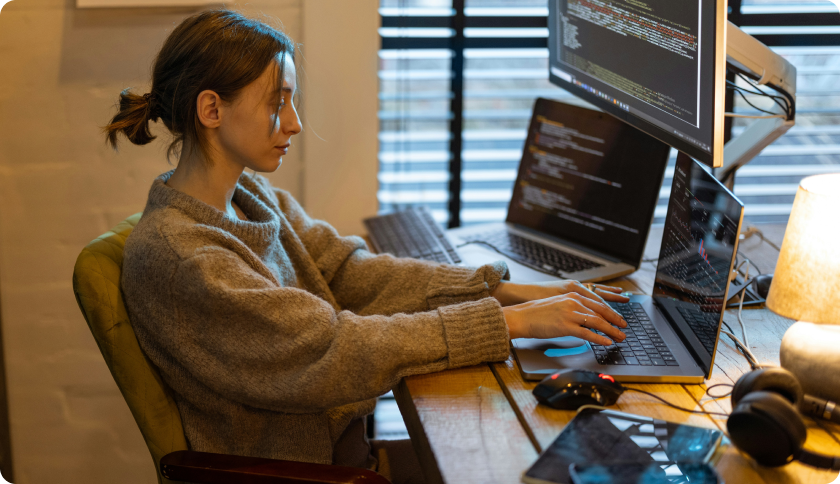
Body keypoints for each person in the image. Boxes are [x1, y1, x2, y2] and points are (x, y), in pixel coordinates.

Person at [103, 9, 628, 484]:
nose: (294, 123)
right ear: (212, 109)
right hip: (310, 473)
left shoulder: (249, 196)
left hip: (348, 447)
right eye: (277, 103)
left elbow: (348, 271)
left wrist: (506, 291)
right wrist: (506, 323)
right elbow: (331, 350)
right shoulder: (184, 260)